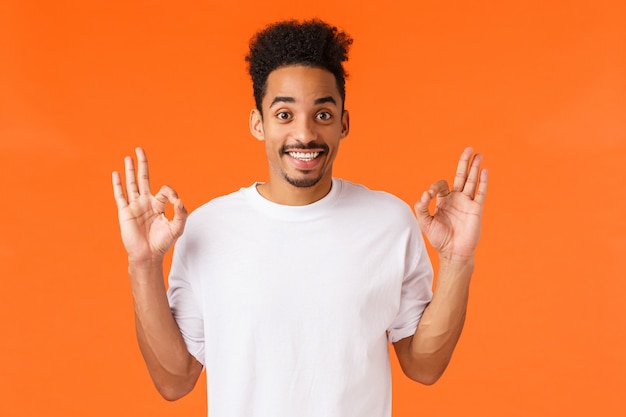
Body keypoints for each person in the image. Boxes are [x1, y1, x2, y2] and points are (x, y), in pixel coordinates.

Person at [112, 19, 487, 417]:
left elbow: (424, 365)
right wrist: (144, 263)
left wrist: (458, 260)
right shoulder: (206, 229)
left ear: (344, 123)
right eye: (284, 114)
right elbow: (174, 380)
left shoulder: (390, 223)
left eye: (322, 114)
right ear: (259, 124)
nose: (304, 134)